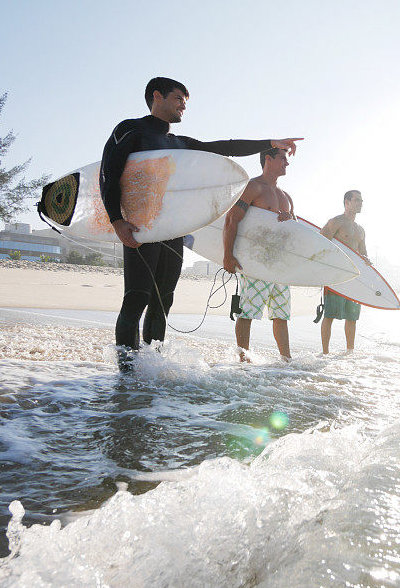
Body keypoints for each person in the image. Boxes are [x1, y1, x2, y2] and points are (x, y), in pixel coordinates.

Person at [99, 76, 301, 370]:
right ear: (157, 96)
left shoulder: (179, 143)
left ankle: (151, 367)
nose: (183, 106)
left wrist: (269, 143)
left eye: (185, 101)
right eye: (178, 98)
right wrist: (117, 220)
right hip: (141, 226)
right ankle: (126, 375)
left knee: (163, 300)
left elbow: (222, 147)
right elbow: (109, 171)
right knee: (136, 298)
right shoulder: (131, 130)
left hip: (172, 230)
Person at [222, 147, 295, 361]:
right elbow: (231, 219)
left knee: (281, 315)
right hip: (255, 261)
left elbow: (294, 234)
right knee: (248, 312)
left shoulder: (286, 196)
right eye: (283, 159)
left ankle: (286, 361)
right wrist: (228, 255)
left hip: (279, 265)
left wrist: (289, 220)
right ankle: (243, 360)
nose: (287, 163)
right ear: (268, 159)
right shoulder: (254, 187)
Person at [319, 190, 368, 354]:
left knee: (352, 317)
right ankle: (325, 353)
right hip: (336, 276)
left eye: (361, 201)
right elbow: (320, 243)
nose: (360, 203)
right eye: (356, 200)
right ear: (346, 202)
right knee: (330, 315)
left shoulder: (361, 230)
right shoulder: (336, 222)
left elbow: (363, 254)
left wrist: (366, 261)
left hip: (354, 278)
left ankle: (349, 352)